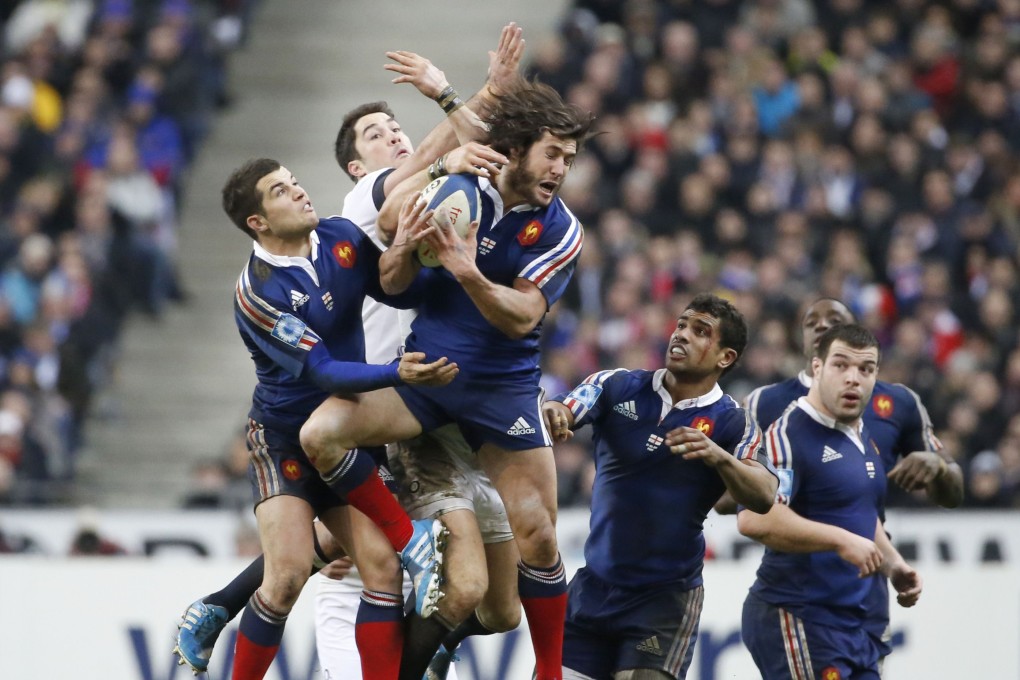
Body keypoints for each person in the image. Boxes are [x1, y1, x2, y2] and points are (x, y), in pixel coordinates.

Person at [174, 27, 526, 680]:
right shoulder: (370, 200)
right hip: (360, 405)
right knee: (328, 566)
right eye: (374, 136)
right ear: (357, 170)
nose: (393, 136)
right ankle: (233, 611)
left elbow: (403, 269)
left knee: (380, 563)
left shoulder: (349, 232)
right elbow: (435, 151)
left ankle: (225, 606)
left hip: (392, 403)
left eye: (394, 126)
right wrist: (473, 96)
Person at [297, 80, 595, 680]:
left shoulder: (561, 229)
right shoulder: (454, 189)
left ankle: (547, 670)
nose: (562, 169)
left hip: (502, 392)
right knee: (321, 433)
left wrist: (467, 271)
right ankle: (394, 543)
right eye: (553, 154)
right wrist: (405, 249)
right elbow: (397, 284)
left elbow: (523, 316)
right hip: (428, 379)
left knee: (531, 546)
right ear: (516, 148)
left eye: (569, 158)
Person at [179, 157, 458, 680]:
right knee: (285, 578)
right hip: (284, 439)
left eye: (294, 182)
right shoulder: (257, 292)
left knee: (382, 570)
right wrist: (397, 373)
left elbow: (397, 288)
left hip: (346, 435)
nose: (300, 192)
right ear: (257, 222)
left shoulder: (340, 238)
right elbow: (324, 372)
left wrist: (435, 258)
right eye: (280, 191)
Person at [540, 293, 778, 680]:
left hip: (663, 601)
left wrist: (719, 457)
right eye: (682, 324)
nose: (681, 335)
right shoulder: (617, 385)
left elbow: (765, 495)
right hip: (592, 589)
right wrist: (555, 411)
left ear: (725, 357)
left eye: (700, 331)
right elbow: (569, 406)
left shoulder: (734, 422)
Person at [729, 297, 962, 665]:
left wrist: (893, 564)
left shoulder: (862, 433)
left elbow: (857, 511)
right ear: (817, 367)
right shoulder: (785, 432)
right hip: (801, 612)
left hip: (859, 616)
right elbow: (754, 518)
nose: (854, 377)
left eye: (866, 369)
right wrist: (840, 541)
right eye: (841, 365)